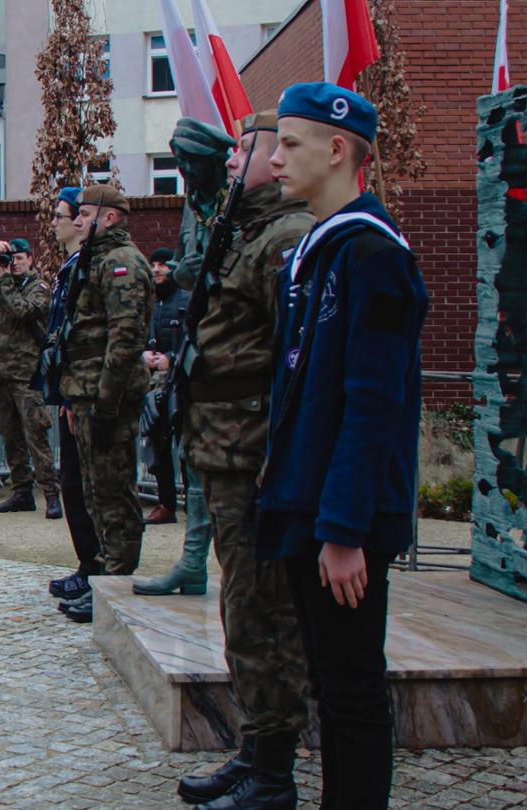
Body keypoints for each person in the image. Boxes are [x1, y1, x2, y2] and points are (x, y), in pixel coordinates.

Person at [257, 83, 426, 810]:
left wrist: (344, 529)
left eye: (289, 144)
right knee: (327, 683)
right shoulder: (320, 252)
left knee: (352, 691)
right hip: (307, 503)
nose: (272, 160)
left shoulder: (372, 256)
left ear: (336, 149)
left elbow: (374, 401)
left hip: (340, 519)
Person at [167, 109, 316, 809]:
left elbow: (300, 364)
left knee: (263, 613)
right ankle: (256, 751)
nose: (232, 161)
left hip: (253, 452)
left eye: (246, 149)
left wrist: (280, 461)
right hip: (227, 448)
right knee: (243, 606)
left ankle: (274, 773)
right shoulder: (249, 232)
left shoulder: (285, 237)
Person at [52, 184, 153, 623]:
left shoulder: (121, 263)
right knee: (94, 489)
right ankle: (103, 576)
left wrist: (106, 402)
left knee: (113, 492)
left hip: (106, 397)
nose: (78, 221)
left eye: (86, 214)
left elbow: (124, 338)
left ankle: (117, 582)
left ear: (109, 217)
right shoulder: (96, 260)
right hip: (87, 394)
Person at [0, 237, 61, 517]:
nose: (13, 263)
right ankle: (21, 492)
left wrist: (4, 281)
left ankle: (51, 494)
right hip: (1, 373)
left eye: (19, 258)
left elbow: (23, 310)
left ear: (30, 259)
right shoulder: (2, 286)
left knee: (35, 435)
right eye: (9, 258)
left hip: (26, 376)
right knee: (10, 436)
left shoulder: (38, 288)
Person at [41, 186, 104, 612]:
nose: (61, 223)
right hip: (71, 390)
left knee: (92, 487)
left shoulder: (95, 266)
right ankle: (88, 566)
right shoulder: (71, 267)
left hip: (88, 394)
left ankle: (100, 573)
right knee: (74, 485)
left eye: (65, 215)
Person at [141, 247, 186, 526]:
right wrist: (144, 354)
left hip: (181, 383)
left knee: (185, 445)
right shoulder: (149, 303)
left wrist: (172, 358)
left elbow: (195, 338)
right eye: (153, 264)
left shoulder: (187, 299)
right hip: (154, 386)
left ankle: (194, 503)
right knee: (157, 446)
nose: (157, 270)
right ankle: (166, 503)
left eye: (163, 265)